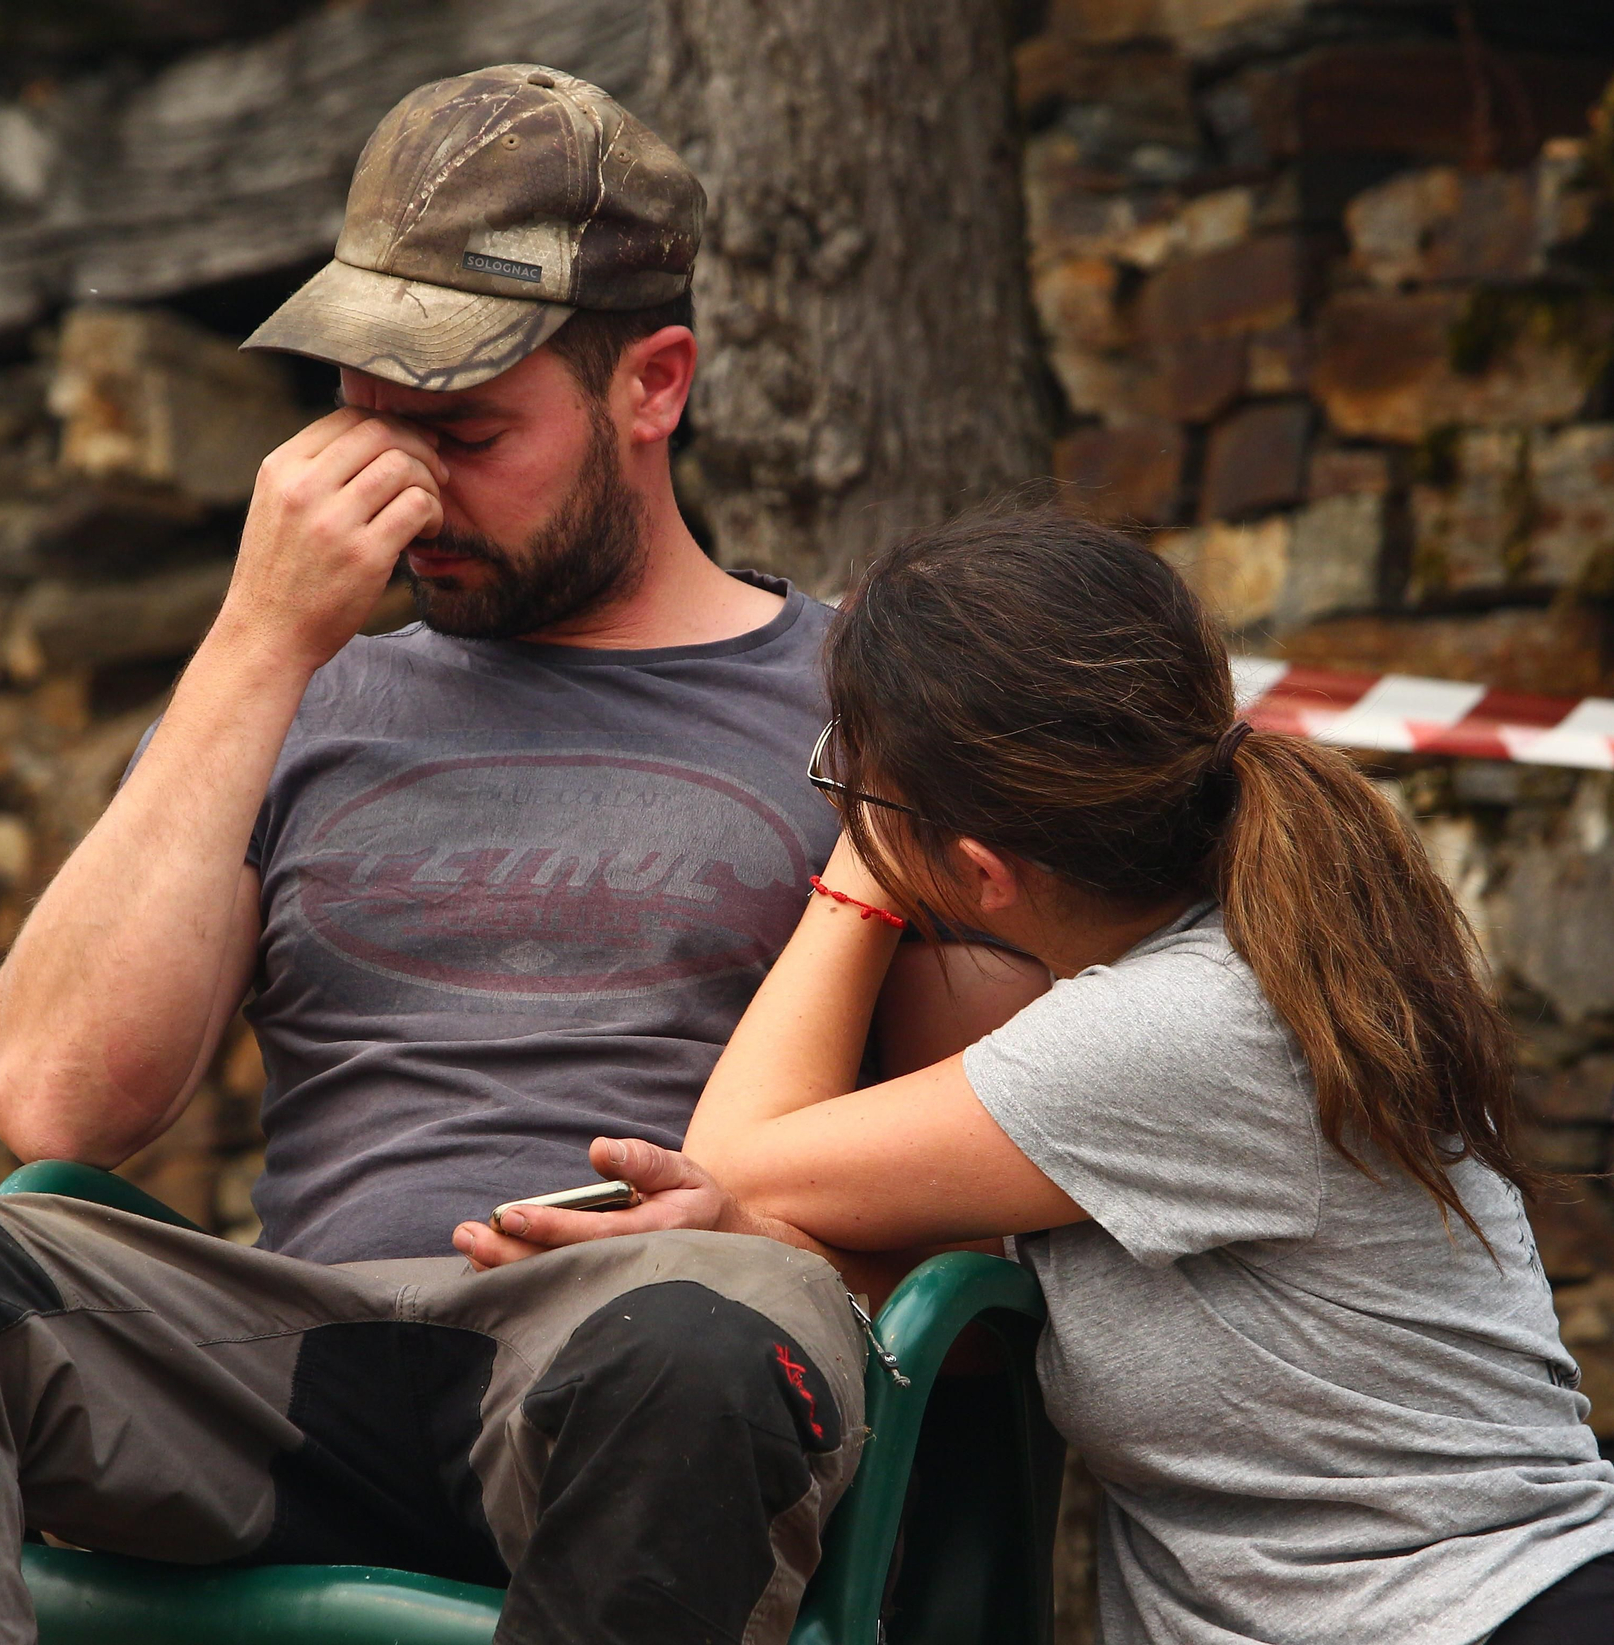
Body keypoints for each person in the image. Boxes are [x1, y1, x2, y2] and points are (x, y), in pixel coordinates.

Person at [0, 65, 1044, 1644]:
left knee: (704, 1341)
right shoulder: (289, 686)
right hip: (297, 1354)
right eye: (367, 414)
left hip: (643, 1339)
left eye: (467, 427)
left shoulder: (864, 704)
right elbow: (60, 1103)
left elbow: (1011, 1149)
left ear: (656, 385)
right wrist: (255, 641)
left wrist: (775, 1226)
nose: (403, 486)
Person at [458, 508, 1614, 1644]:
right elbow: (786, 1195)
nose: (839, 805)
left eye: (845, 780)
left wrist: (860, 873)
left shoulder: (1177, 1026)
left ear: (979, 869)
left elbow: (739, 1157)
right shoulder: (1235, 959)